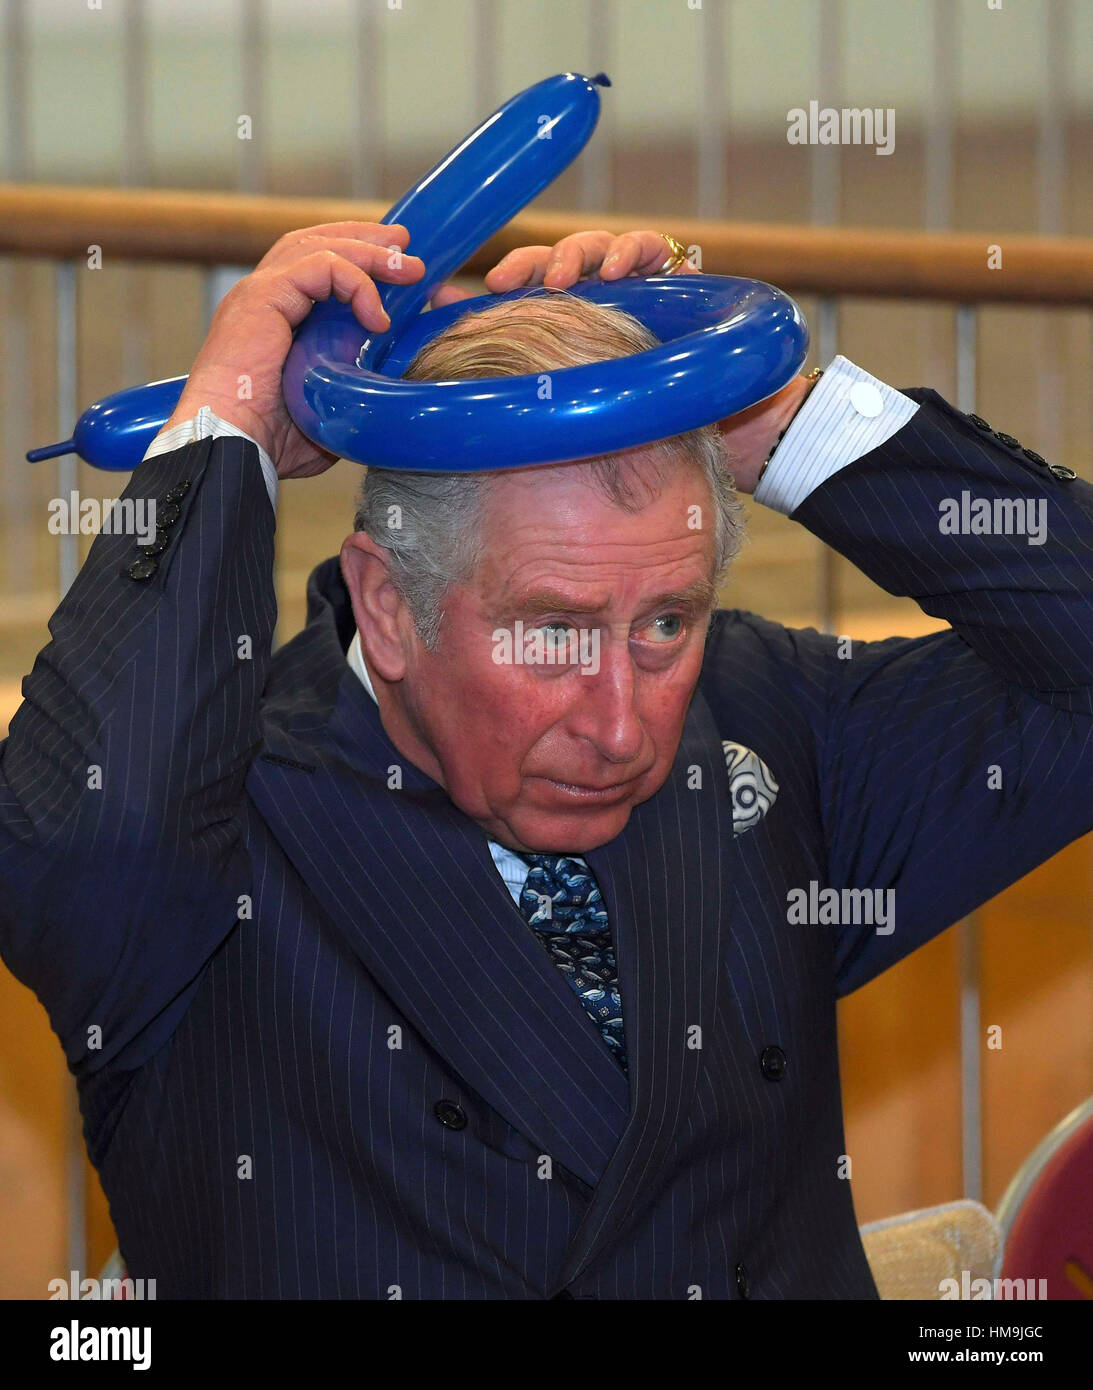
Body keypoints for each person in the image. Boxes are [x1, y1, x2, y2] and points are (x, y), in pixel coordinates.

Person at [2, 222, 1091, 1300]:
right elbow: (71, 849)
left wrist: (779, 421)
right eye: (553, 633)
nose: (621, 727)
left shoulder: (770, 720)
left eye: (666, 623)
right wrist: (223, 431)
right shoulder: (218, 818)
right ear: (388, 607)